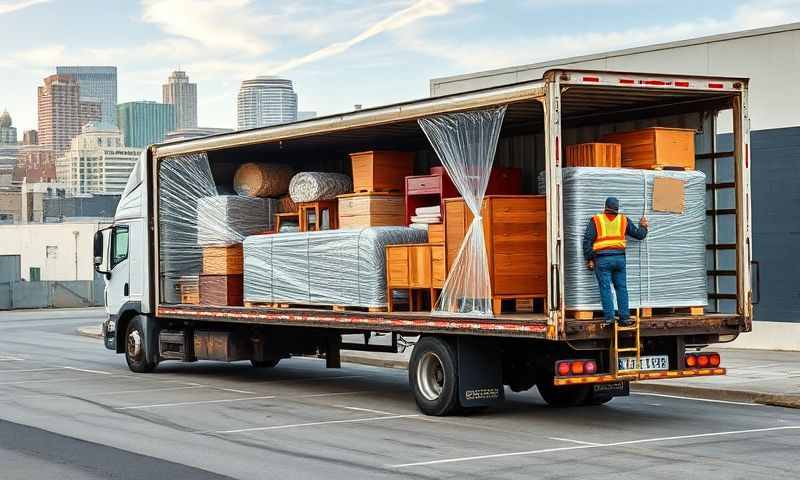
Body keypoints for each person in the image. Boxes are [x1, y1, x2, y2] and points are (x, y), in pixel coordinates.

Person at [582, 197, 649, 326]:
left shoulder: (596, 220)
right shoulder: (623, 220)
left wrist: (589, 258)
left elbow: (587, 241)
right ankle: (625, 318)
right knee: (621, 288)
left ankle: (610, 319)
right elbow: (639, 234)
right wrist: (644, 227)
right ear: (617, 208)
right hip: (619, 259)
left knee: (605, 288)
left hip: (602, 260)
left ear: (605, 207)